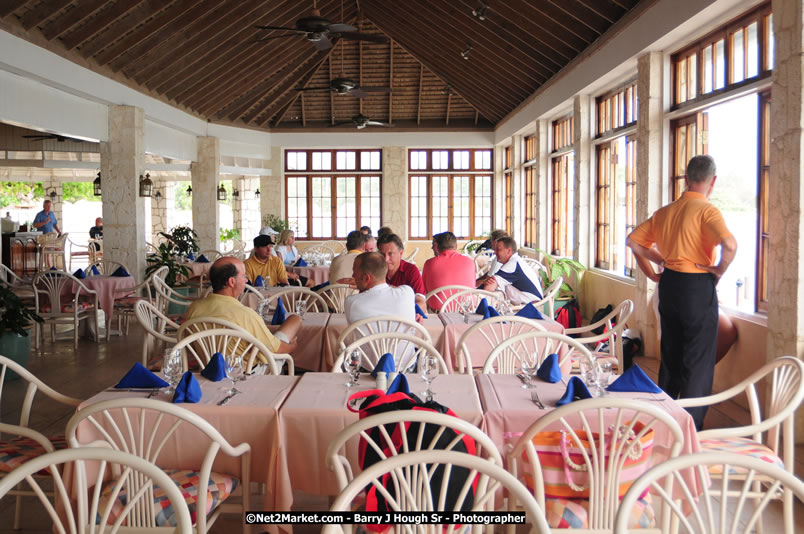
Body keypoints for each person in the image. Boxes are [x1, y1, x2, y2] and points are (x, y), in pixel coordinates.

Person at [627, 154, 737, 430]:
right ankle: (690, 431)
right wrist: (719, 270)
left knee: (671, 358)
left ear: (686, 179)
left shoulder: (666, 212)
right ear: (712, 183)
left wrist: (655, 270)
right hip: (697, 287)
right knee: (698, 363)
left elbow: (634, 243)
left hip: (670, 286)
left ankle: (664, 422)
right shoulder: (707, 211)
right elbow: (730, 245)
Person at [185, 256, 301, 355]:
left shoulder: (193, 309)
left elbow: (189, 343)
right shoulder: (246, 315)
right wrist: (293, 346)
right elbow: (275, 350)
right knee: (295, 319)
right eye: (244, 276)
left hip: (207, 368)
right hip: (247, 372)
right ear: (231, 282)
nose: (246, 281)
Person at [345, 252, 416, 324]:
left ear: (366, 278)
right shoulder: (407, 293)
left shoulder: (352, 302)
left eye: (355, 272)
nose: (353, 276)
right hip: (403, 336)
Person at [422, 231, 476, 311]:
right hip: (467, 309)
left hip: (438, 311)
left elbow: (424, 289)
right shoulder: (470, 262)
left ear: (438, 247)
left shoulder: (430, 263)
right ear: (456, 246)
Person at [482, 236, 544, 304]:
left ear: (508, 251)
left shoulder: (512, 264)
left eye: (498, 250)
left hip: (531, 306)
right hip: (532, 302)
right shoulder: (516, 260)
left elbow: (488, 289)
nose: (495, 252)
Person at [377, 233, 426, 310]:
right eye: (382, 254)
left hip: (404, 318)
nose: (386, 259)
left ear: (401, 253)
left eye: (390, 254)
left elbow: (421, 303)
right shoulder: (373, 271)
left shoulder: (411, 270)